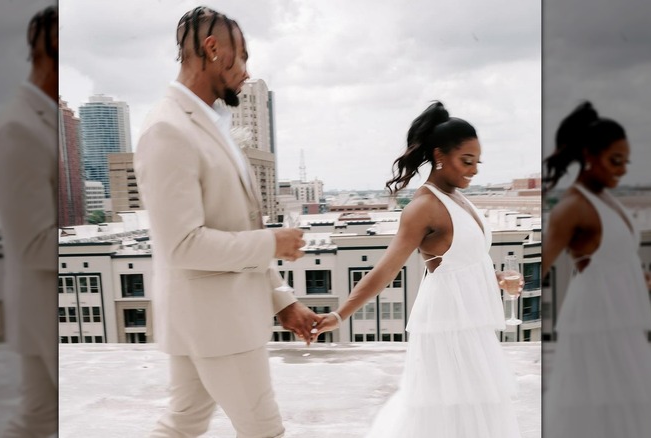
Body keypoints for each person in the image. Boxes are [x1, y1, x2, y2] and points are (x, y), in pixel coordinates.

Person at [134, 6, 322, 438]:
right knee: (263, 430)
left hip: (210, 320)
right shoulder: (166, 129)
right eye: (242, 56)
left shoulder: (208, 124)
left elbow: (238, 225)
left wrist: (282, 300)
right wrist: (273, 243)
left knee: (183, 423)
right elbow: (182, 245)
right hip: (218, 326)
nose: (247, 70)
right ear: (213, 49)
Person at [314, 102, 522, 437]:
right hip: (446, 330)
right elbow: (383, 272)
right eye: (466, 161)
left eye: (477, 162)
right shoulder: (423, 208)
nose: (474, 170)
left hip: (472, 327)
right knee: (447, 417)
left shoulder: (459, 198)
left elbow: (465, 261)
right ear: (440, 155)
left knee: (478, 415)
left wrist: (499, 279)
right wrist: (338, 316)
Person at [541, 101, 651, 438]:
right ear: (588, 155)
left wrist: (648, 280)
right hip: (595, 325)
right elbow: (541, 264)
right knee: (600, 411)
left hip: (621, 321)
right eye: (615, 161)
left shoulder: (608, 199)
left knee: (627, 408)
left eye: (626, 162)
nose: (622, 170)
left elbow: (614, 261)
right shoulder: (572, 208)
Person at [0, 5, 59, 437]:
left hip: (39, 306)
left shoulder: (40, 120)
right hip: (41, 305)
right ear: (47, 54)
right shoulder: (18, 129)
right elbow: (32, 242)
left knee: (37, 418)